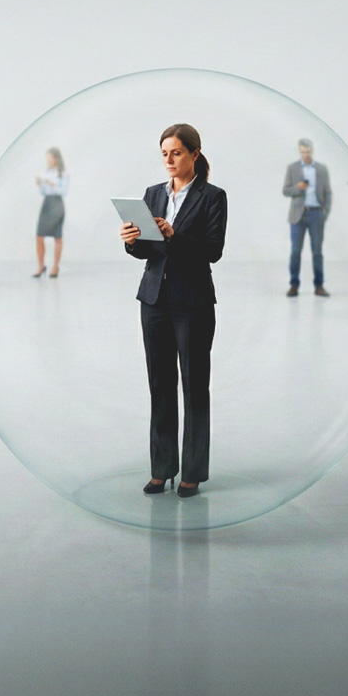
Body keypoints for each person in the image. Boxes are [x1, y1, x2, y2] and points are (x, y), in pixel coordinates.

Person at [119, 123, 227, 498]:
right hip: (154, 302)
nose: (169, 159)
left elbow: (213, 250)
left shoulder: (213, 196)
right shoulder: (152, 194)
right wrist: (133, 242)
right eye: (164, 153)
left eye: (176, 152)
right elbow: (148, 252)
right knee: (159, 386)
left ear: (194, 154)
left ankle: (192, 472)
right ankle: (161, 468)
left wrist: (173, 236)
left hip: (192, 303)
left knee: (195, 387)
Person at [283, 138, 331, 296]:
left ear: (312, 151)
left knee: (317, 251)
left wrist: (325, 212)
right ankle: (294, 285)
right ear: (299, 151)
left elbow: (327, 192)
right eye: (303, 152)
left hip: (316, 213)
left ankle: (319, 285)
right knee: (295, 251)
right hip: (298, 214)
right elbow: (286, 190)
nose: (305, 155)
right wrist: (298, 187)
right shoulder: (293, 168)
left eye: (308, 152)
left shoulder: (322, 169)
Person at [33, 147, 67, 278]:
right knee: (39, 236)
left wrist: (50, 183)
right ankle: (41, 266)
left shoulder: (62, 173)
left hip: (57, 204)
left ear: (56, 159)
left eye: (50, 159)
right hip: (46, 204)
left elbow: (63, 191)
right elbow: (43, 192)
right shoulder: (47, 172)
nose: (48, 161)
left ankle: (55, 266)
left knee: (57, 237)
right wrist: (40, 184)